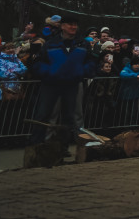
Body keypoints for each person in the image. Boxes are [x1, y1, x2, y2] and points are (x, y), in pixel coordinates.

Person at [26, 15, 97, 152]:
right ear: (62, 26)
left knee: (70, 116)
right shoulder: (50, 43)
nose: (73, 27)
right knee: (46, 114)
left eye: (75, 24)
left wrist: (81, 72)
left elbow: (91, 62)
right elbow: (38, 63)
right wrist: (50, 72)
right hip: (51, 84)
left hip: (72, 84)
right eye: (70, 24)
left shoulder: (82, 44)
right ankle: (39, 145)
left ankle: (63, 147)